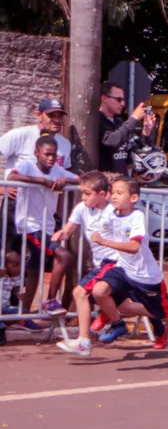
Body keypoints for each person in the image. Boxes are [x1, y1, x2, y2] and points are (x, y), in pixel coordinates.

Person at [63, 176, 168, 363]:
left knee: (165, 314)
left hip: (146, 276)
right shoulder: (110, 214)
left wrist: (103, 241)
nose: (115, 197)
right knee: (99, 291)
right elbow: (98, 218)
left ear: (133, 198)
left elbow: (134, 247)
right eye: (113, 193)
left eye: (120, 193)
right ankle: (118, 325)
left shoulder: (137, 217)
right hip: (123, 269)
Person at [8, 135, 77, 315]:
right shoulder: (27, 165)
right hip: (29, 226)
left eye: (54, 155)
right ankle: (50, 300)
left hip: (47, 227)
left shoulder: (58, 170)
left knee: (35, 270)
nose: (51, 158)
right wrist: (41, 181)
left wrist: (67, 180)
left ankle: (24, 315)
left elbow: (81, 179)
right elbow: (11, 175)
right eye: (47, 154)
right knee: (63, 256)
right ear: (36, 153)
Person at [51, 171, 115, 346]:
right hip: (100, 265)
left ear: (102, 195)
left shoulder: (113, 213)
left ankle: (84, 341)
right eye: (82, 193)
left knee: (80, 292)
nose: (83, 197)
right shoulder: (81, 208)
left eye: (87, 193)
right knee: (123, 305)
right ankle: (164, 319)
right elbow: (67, 231)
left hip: (116, 264)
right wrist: (59, 235)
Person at [0, 98, 73, 172]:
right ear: (39, 115)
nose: (56, 120)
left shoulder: (65, 144)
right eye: (51, 115)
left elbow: (64, 172)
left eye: (59, 116)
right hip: (20, 182)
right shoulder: (21, 135)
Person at [98, 83, 155, 174]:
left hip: (122, 180)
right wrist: (133, 119)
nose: (123, 103)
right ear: (104, 98)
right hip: (106, 182)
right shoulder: (96, 120)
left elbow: (137, 149)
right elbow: (111, 140)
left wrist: (146, 132)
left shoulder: (119, 123)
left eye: (123, 100)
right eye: (119, 100)